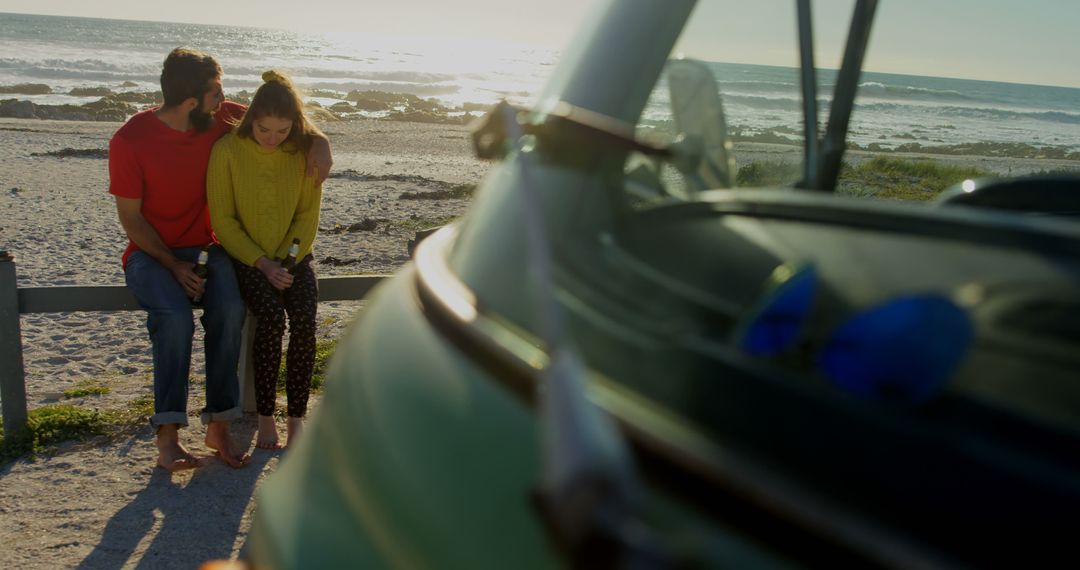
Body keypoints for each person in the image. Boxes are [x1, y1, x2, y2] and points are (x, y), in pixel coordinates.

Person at [108, 48, 333, 471]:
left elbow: (282, 117)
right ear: (193, 100)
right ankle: (169, 438)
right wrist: (174, 265)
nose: (224, 98)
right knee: (174, 317)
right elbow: (131, 220)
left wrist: (320, 142)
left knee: (229, 309)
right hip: (150, 255)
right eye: (217, 92)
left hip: (210, 253)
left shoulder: (221, 117)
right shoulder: (130, 139)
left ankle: (220, 427)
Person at [208, 70, 324, 450]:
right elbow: (223, 221)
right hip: (249, 259)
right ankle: (264, 417)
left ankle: (296, 419)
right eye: (264, 130)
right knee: (272, 319)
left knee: (306, 321)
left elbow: (308, 214)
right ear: (250, 120)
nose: (273, 138)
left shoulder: (303, 152)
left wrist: (288, 263)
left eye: (282, 130)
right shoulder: (226, 150)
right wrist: (263, 264)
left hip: (294, 258)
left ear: (294, 125)